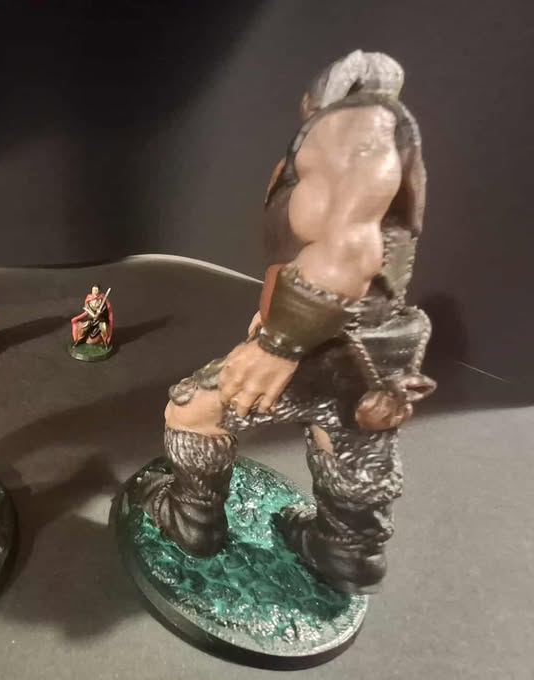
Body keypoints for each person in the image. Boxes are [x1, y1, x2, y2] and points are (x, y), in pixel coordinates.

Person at [138, 51, 435, 594]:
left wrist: (279, 343)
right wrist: (276, 318)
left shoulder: (356, 127)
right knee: (345, 435)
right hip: (376, 344)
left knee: (193, 410)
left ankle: (191, 523)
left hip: (325, 338)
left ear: (317, 99)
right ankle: (346, 553)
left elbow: (348, 250)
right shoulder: (388, 137)